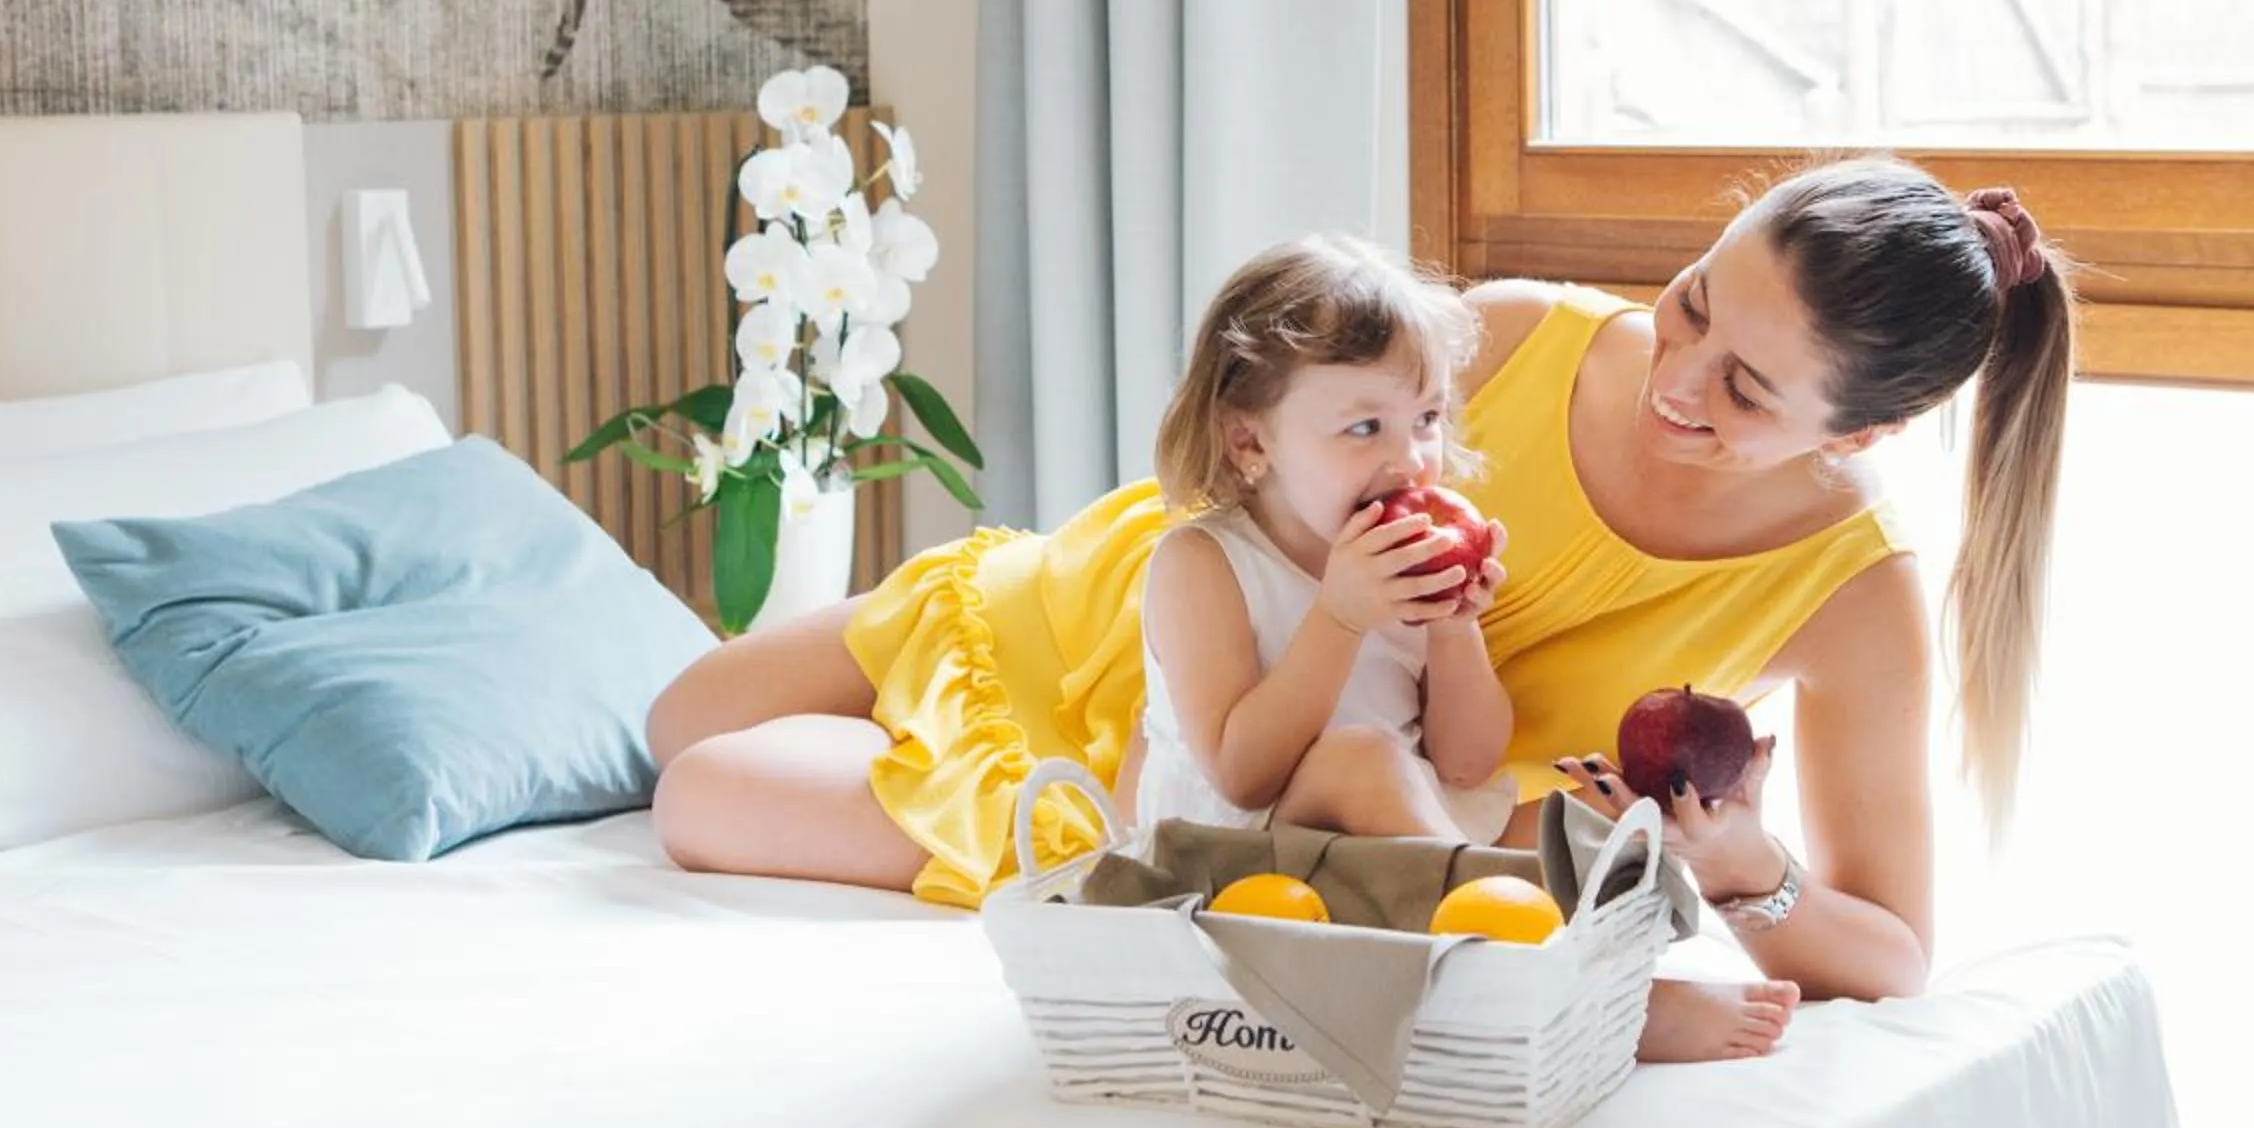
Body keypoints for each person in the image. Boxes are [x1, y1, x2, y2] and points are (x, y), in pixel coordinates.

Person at [648, 155, 2069, 1018]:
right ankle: (922, 723)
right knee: (673, 719)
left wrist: (1747, 872)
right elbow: (1253, 453)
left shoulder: (1851, 596)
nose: (1675, 381)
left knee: (709, 790)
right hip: (1139, 613)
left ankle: (951, 789)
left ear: (1865, 433)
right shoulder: (1515, 335)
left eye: (1747, 391)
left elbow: (1892, 956)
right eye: (1692, 298)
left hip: (1216, 793)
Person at [1126, 237, 1518, 848]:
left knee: (1558, 820)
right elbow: (1242, 777)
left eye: (1427, 419)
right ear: (1250, 444)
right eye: (1365, 427)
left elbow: (1468, 767)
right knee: (1363, 761)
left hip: (1373, 852)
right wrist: (1339, 617)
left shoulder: (1405, 559)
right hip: (1233, 862)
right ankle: (1505, 916)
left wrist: (1453, 629)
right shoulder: (1203, 566)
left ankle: (1493, 904)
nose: (1411, 460)